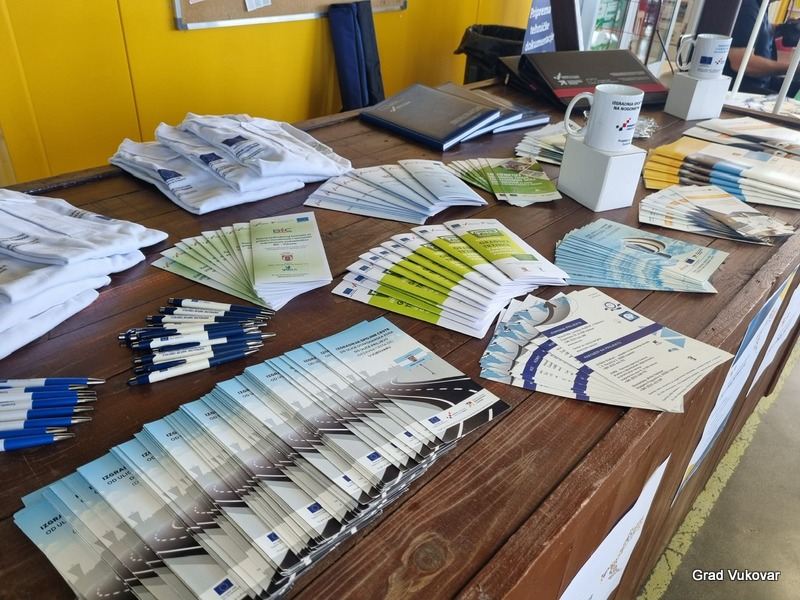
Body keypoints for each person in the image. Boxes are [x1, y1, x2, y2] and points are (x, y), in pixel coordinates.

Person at [723, 0, 799, 96]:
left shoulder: (759, 5)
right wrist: (793, 69)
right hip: (741, 88)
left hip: (762, 82)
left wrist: (782, 29)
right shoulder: (747, 6)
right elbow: (740, 63)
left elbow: (755, 29)